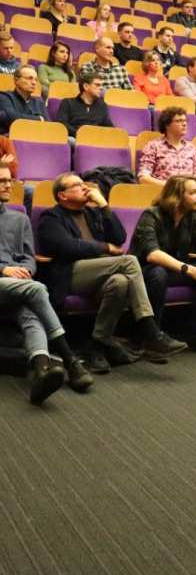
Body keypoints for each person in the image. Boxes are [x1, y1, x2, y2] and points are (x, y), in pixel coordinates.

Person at [37, 171, 186, 368]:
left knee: (121, 282)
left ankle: (97, 344)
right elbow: (67, 247)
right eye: (77, 185)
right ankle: (150, 330)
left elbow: (119, 237)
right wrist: (104, 248)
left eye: (84, 184)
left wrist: (104, 206)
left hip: (100, 271)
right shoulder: (51, 217)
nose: (85, 188)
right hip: (70, 274)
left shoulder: (92, 213)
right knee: (129, 261)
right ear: (62, 195)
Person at [0, 166, 94, 403]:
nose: (8, 185)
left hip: (15, 285)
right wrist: (4, 269)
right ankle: (69, 358)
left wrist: (27, 271)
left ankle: (42, 371)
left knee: (29, 313)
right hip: (7, 279)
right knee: (37, 289)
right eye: (2, 181)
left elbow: (29, 257)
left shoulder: (19, 218)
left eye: (9, 180)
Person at [129, 175, 196, 355]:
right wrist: (189, 270)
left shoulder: (191, 215)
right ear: (177, 197)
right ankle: (151, 335)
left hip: (175, 268)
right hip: (143, 271)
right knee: (158, 273)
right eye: (193, 192)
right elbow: (152, 254)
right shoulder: (152, 214)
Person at [137, 107, 196, 185]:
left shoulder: (191, 148)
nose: (184, 124)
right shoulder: (154, 146)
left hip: (187, 194)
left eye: (185, 121)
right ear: (167, 125)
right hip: (163, 193)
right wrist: (170, 187)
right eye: (178, 121)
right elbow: (143, 178)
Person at [55, 68, 114, 137]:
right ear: (86, 86)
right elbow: (62, 125)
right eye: (97, 85)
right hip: (74, 137)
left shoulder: (102, 106)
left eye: (102, 85)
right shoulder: (67, 103)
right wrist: (81, 134)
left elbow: (110, 128)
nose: (101, 88)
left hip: (95, 140)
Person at [0, 65, 47, 134]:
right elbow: (11, 117)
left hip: (36, 137)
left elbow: (49, 124)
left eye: (36, 80)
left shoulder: (38, 102)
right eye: (29, 78)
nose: (34, 83)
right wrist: (39, 119)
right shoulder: (5, 97)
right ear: (16, 80)